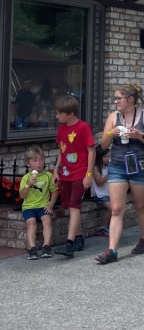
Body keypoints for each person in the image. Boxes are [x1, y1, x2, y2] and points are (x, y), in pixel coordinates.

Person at [95, 82, 144, 265]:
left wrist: (138, 135)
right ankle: (112, 250)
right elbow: (103, 145)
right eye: (115, 98)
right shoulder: (113, 117)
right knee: (116, 209)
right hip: (117, 165)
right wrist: (111, 133)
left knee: (140, 205)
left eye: (118, 98)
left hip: (139, 164)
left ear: (130, 99)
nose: (115, 102)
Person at [53, 95, 96, 258]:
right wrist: (56, 169)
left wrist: (89, 174)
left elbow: (91, 151)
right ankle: (78, 238)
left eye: (60, 113)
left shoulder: (83, 127)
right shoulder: (61, 129)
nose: (57, 116)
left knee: (74, 206)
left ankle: (69, 243)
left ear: (71, 114)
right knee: (70, 206)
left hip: (79, 173)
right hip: (66, 173)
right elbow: (61, 150)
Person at [19, 145, 57, 259]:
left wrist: (50, 205)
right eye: (34, 161)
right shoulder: (26, 177)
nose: (38, 163)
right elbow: (22, 195)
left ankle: (46, 246)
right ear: (28, 164)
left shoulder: (48, 176)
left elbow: (55, 191)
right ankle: (32, 248)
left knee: (47, 220)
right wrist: (28, 184)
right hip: (29, 207)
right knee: (31, 223)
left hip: (43, 206)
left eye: (41, 159)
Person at [91, 145, 111, 235]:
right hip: (99, 194)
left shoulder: (108, 166)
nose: (108, 159)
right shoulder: (96, 168)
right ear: (99, 157)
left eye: (109, 156)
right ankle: (102, 228)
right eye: (105, 157)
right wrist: (109, 174)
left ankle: (111, 227)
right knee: (111, 209)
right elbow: (99, 182)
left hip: (108, 192)